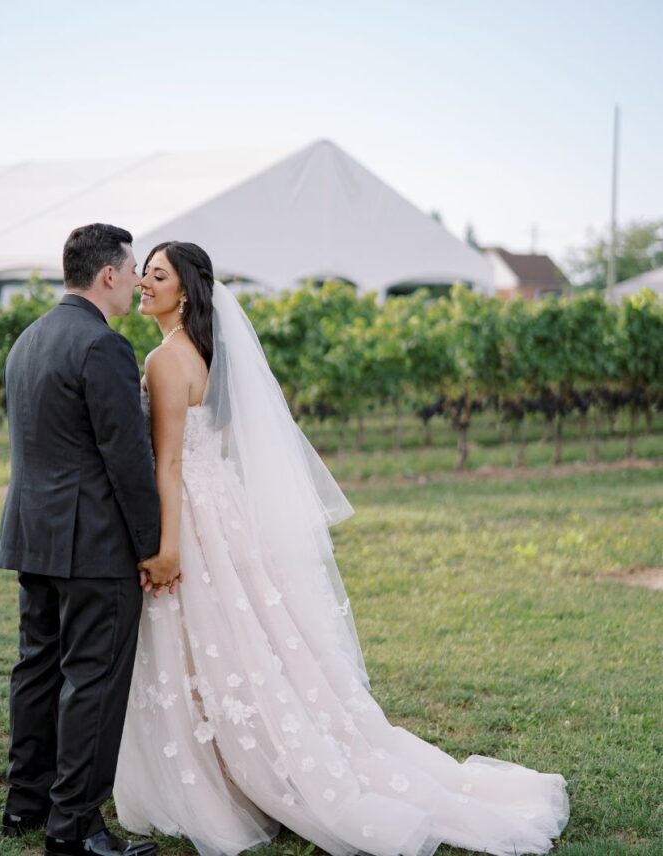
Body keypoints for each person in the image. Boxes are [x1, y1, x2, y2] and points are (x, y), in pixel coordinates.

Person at [113, 241, 570, 856]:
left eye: (158, 274)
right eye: (143, 272)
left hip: (193, 517)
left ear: (186, 293)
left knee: (209, 642)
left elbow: (168, 462)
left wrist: (167, 547)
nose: (145, 282)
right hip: (225, 511)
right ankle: (236, 765)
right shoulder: (209, 355)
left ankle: (228, 778)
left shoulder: (166, 359)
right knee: (244, 644)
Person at [0, 223, 167, 856]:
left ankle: (25, 803)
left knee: (37, 667)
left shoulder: (28, 339)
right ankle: (75, 827)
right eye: (132, 269)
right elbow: (128, 458)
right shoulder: (103, 346)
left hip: (32, 533)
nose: (136, 281)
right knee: (92, 678)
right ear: (107, 274)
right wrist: (152, 545)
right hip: (93, 542)